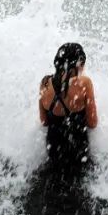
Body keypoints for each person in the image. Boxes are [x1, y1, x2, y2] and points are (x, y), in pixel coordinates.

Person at [39, 42, 98, 171]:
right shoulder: (84, 83)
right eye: (82, 63)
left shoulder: (44, 83)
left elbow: (44, 122)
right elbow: (92, 123)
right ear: (78, 63)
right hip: (78, 150)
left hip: (53, 150)